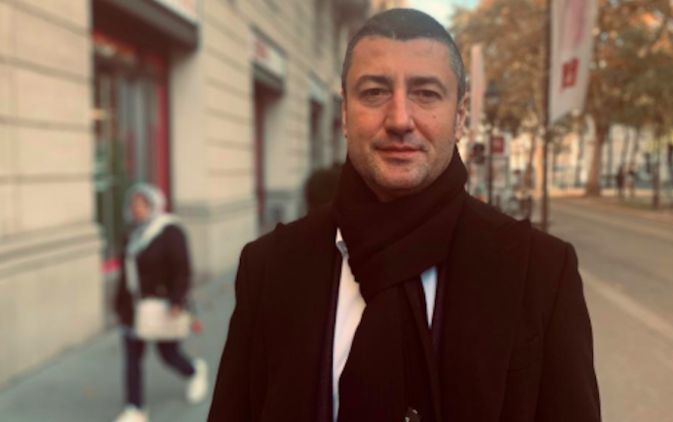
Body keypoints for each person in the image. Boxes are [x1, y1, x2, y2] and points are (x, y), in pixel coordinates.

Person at [209, 8, 600, 422]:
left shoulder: (541, 272)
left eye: (426, 93)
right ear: (345, 114)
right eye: (374, 92)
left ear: (460, 117)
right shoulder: (269, 267)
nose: (399, 119)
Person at [113, 183, 208, 422]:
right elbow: (126, 273)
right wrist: (118, 304)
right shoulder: (131, 234)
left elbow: (182, 269)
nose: (136, 209)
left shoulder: (170, 231)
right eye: (133, 204)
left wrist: (177, 300)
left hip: (162, 305)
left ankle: (194, 370)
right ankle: (135, 408)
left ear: (154, 205)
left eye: (142, 204)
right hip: (133, 307)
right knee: (132, 358)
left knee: (168, 354)